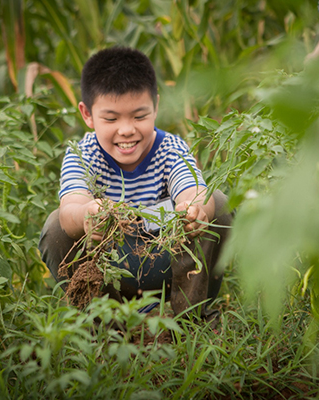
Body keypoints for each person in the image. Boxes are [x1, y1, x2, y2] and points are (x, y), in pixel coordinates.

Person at [38, 46, 231, 322]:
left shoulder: (170, 148)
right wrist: (86, 215)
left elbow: (192, 188)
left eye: (139, 116)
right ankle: (101, 326)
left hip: (169, 262)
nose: (127, 129)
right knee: (56, 226)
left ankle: (193, 318)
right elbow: (71, 207)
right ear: (87, 114)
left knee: (218, 204)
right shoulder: (82, 155)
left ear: (156, 107)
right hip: (112, 268)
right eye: (111, 118)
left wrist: (194, 208)